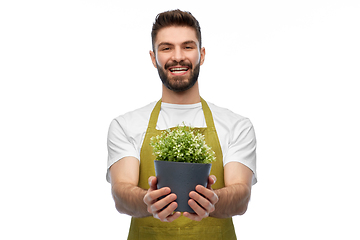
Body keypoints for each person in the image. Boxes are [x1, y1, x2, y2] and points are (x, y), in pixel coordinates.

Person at [106, 9, 257, 240]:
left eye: (187, 46)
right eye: (166, 48)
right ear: (153, 57)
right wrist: (147, 202)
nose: (177, 56)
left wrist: (213, 201)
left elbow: (241, 195)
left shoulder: (236, 125)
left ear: (202, 54)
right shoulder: (126, 125)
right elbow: (121, 192)